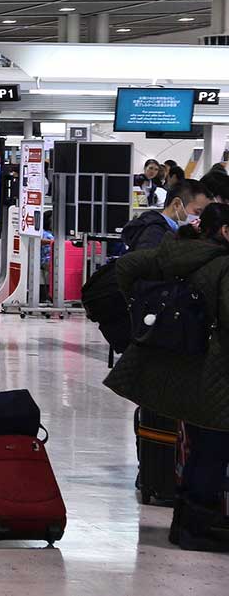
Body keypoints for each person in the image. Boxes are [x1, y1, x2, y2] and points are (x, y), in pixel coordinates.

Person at [105, 203, 229, 551]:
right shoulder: (222, 264)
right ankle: (197, 526)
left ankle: (186, 523)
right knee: (214, 448)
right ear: (225, 232)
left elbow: (127, 266)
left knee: (204, 446)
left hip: (188, 368)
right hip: (216, 372)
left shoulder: (176, 252)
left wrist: (142, 312)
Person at [121, 179, 208, 252]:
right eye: (197, 212)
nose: (199, 218)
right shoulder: (154, 233)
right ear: (177, 204)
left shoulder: (173, 231)